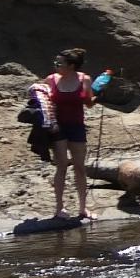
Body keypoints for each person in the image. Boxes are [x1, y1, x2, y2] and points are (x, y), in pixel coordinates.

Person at [45, 47, 97, 222]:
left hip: (77, 126)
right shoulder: (51, 80)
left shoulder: (84, 79)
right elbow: (43, 102)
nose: (56, 65)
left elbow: (89, 103)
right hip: (57, 128)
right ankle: (59, 207)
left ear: (71, 66)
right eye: (56, 62)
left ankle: (83, 207)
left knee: (79, 167)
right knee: (61, 166)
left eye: (60, 63)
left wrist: (99, 94)